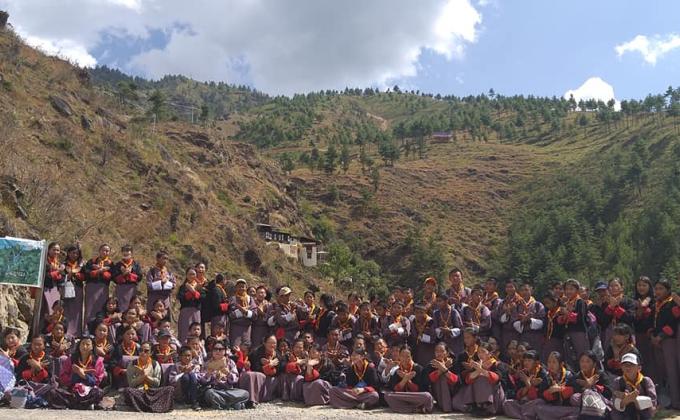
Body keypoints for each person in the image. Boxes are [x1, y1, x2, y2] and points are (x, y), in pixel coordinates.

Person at [122, 341, 175, 412]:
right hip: (139, 391)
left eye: (146, 351)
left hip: (152, 392)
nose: (143, 353)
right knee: (128, 391)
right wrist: (142, 377)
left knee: (170, 389)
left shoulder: (155, 364)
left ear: (151, 353)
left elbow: (157, 383)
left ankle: (143, 406)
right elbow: (131, 384)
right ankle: (152, 406)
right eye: (141, 350)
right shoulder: (132, 364)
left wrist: (146, 377)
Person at [651, 280, 680, 409]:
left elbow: (673, 323)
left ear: (668, 290)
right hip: (657, 341)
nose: (658, 291)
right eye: (656, 289)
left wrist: (660, 336)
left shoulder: (672, 303)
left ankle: (676, 402)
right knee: (663, 371)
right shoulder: (656, 304)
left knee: (672, 370)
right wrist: (652, 335)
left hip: (669, 340)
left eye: (661, 288)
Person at [59, 336, 106, 409]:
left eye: (88, 344)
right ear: (79, 346)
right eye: (83, 344)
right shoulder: (71, 359)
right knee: (55, 392)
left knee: (99, 392)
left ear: (92, 347)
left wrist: (83, 375)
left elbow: (97, 380)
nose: (85, 346)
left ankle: (77, 404)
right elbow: (63, 377)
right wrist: (75, 377)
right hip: (73, 389)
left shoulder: (97, 360)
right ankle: (85, 404)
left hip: (89, 390)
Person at [383, 345, 433, 414]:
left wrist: (408, 381)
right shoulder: (397, 370)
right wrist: (404, 380)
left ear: (411, 357)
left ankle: (405, 408)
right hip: (403, 398)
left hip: (416, 397)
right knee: (387, 395)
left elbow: (421, 389)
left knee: (427, 396)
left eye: (407, 356)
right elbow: (395, 389)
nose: (405, 359)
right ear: (399, 357)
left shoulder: (418, 369)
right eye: (402, 356)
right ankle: (416, 409)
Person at [200, 342, 250, 410]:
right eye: (215, 349)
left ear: (225, 351)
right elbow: (202, 380)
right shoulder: (207, 364)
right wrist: (208, 374)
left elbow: (235, 378)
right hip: (214, 390)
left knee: (246, 393)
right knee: (209, 393)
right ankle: (232, 405)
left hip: (228, 390)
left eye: (220, 349)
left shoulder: (230, 362)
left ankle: (225, 404)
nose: (217, 351)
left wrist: (228, 373)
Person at [503, 350, 549, 419]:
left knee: (538, 402)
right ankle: (524, 416)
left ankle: (523, 414)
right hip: (524, 402)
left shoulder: (543, 374)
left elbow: (539, 395)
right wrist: (527, 385)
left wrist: (527, 383)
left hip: (535, 401)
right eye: (525, 360)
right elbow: (518, 394)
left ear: (537, 362)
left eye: (529, 361)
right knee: (507, 403)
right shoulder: (523, 373)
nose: (526, 363)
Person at [534, 351, 578, 420]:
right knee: (539, 405)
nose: (551, 365)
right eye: (549, 362)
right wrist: (549, 391)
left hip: (567, 407)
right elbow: (540, 393)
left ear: (561, 364)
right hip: (553, 407)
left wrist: (561, 389)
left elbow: (576, 389)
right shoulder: (546, 376)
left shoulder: (568, 375)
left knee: (576, 410)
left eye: (554, 362)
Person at [611, 353, 657, 420]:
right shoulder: (618, 382)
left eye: (631, 365)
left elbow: (652, 403)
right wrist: (626, 400)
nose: (627, 367)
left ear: (639, 368)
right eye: (625, 365)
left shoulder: (646, 381)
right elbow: (614, 404)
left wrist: (636, 400)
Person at [239, 334, 282, 403]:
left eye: (274, 343)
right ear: (264, 343)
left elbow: (279, 370)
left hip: (270, 377)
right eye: (270, 343)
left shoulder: (277, 354)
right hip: (256, 373)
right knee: (255, 375)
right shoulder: (256, 352)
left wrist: (270, 366)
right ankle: (250, 399)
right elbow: (255, 368)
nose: (272, 345)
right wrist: (268, 365)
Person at [558, 279, 590, 370]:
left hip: (579, 333)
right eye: (566, 289)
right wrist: (563, 316)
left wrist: (567, 314)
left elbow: (580, 318)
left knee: (582, 355)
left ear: (577, 290)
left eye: (571, 289)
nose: (568, 291)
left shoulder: (580, 302)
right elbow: (560, 320)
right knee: (569, 357)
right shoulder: (566, 303)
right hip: (568, 332)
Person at [598, 278, 635, 349]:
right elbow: (602, 321)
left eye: (616, 285)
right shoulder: (605, 303)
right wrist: (610, 307)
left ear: (622, 288)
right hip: (609, 335)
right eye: (611, 286)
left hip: (625, 334)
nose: (613, 288)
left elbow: (630, 318)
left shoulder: (629, 301)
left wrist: (616, 307)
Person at [632, 276, 657, 381]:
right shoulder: (633, 301)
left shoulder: (654, 300)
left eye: (644, 285)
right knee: (639, 359)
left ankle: (654, 383)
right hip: (637, 334)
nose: (641, 287)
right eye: (639, 285)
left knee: (652, 360)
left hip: (650, 335)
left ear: (649, 286)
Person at [423, 342, 458, 412]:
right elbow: (427, 381)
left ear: (447, 353)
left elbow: (456, 380)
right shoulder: (431, 364)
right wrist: (441, 369)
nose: (439, 353)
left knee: (444, 376)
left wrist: (444, 369)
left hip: (453, 391)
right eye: (437, 351)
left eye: (442, 351)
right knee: (441, 377)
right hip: (438, 393)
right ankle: (446, 406)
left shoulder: (453, 363)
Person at [83, 244, 113, 326]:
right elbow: (86, 273)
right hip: (91, 287)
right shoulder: (92, 261)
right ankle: (87, 328)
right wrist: (98, 271)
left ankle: (100, 327)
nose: (105, 252)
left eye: (107, 251)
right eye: (103, 250)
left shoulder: (110, 263)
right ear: (99, 251)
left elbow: (112, 276)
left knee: (102, 308)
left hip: (103, 288)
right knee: (89, 309)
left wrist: (103, 271)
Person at [62, 244, 85, 338]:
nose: (75, 255)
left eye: (77, 253)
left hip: (78, 288)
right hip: (66, 288)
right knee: (66, 309)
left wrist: (77, 275)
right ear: (68, 253)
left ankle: (76, 332)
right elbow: (61, 276)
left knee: (77, 310)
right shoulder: (64, 264)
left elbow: (86, 276)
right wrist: (67, 276)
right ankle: (66, 330)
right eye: (73, 253)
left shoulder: (81, 265)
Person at [177, 267, 205, 343]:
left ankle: (195, 345)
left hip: (196, 311)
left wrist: (193, 291)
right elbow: (181, 299)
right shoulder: (183, 287)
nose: (192, 276)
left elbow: (203, 298)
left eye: (193, 274)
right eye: (190, 274)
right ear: (186, 275)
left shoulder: (199, 287)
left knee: (196, 330)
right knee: (185, 331)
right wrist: (190, 293)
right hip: (185, 312)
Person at [515, 283, 545, 352]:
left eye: (526, 290)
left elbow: (543, 321)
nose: (524, 292)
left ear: (531, 291)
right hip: (522, 336)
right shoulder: (517, 305)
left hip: (536, 336)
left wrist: (530, 320)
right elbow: (513, 321)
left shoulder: (538, 305)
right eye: (522, 290)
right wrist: (522, 321)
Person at [112, 245, 143, 312]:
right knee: (121, 306)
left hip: (132, 288)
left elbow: (140, 277)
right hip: (121, 289)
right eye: (124, 252)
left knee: (132, 306)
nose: (126, 253)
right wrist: (123, 274)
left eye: (128, 252)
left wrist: (130, 274)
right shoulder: (118, 264)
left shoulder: (136, 264)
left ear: (131, 253)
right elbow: (114, 278)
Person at [229, 278, 256, 347]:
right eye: (239, 287)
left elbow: (254, 314)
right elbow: (230, 314)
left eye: (243, 287)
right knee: (235, 347)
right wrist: (241, 311)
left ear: (246, 288)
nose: (241, 288)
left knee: (246, 348)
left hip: (247, 328)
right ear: (236, 288)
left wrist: (246, 312)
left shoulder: (250, 299)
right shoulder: (233, 299)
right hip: (235, 328)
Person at [41, 242, 64, 323]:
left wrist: (60, 275)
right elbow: (46, 276)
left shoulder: (58, 263)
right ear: (48, 250)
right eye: (54, 250)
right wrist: (58, 271)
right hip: (45, 289)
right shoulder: (44, 261)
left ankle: (52, 329)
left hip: (55, 290)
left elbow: (61, 278)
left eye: (58, 250)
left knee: (54, 311)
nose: (56, 252)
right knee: (45, 311)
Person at [541, 292, 565, 363]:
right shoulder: (548, 312)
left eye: (548, 303)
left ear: (555, 301)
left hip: (559, 341)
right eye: (545, 303)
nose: (546, 305)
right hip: (548, 341)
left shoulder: (561, 311)